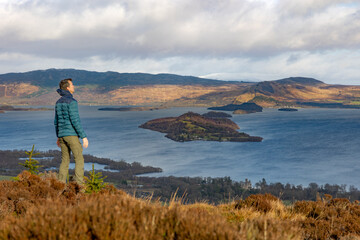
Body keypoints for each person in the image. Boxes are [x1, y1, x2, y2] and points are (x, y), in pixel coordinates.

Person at [54, 78, 88, 185]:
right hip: (71, 135)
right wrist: (84, 137)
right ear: (68, 88)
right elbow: (75, 120)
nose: (74, 86)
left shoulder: (58, 102)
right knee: (79, 159)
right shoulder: (72, 102)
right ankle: (79, 186)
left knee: (65, 161)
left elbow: (56, 121)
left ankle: (60, 185)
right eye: (72, 85)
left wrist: (58, 137)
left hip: (62, 135)